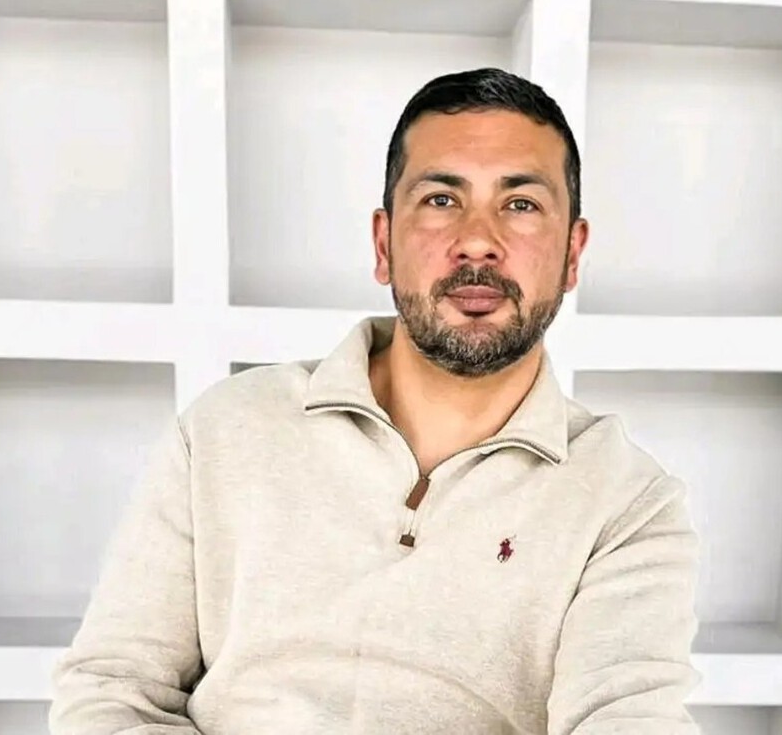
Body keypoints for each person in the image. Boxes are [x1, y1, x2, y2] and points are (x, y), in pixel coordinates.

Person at [48, 67, 702, 734]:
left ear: (572, 254)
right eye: (442, 199)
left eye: (521, 204)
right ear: (384, 244)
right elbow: (112, 690)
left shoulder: (627, 502)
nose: (478, 240)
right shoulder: (223, 430)